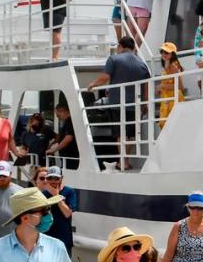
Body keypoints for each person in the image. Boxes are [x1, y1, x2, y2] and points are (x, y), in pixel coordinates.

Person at [87, 36, 151, 169]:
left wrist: (92, 84)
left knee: (120, 134)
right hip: (135, 105)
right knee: (131, 135)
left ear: (120, 46)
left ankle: (122, 162)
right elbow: (146, 86)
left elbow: (105, 77)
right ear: (133, 48)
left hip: (117, 104)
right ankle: (125, 161)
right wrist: (145, 104)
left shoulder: (114, 59)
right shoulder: (142, 64)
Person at [40, 166, 76, 256]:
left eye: (56, 178)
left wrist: (56, 196)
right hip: (46, 239)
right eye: (50, 178)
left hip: (64, 239)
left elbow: (67, 213)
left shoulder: (69, 192)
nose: (53, 181)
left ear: (61, 178)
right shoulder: (42, 195)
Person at [157, 42, 185, 127]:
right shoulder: (167, 65)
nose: (163, 54)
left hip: (173, 98)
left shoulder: (173, 66)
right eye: (162, 52)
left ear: (172, 54)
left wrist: (162, 86)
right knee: (166, 124)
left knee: (168, 124)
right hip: (167, 98)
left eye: (166, 52)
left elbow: (180, 87)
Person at [47, 102, 79, 169]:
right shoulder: (68, 122)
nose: (58, 117)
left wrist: (54, 150)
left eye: (58, 115)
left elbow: (68, 138)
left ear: (62, 111)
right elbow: (61, 136)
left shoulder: (70, 121)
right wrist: (52, 144)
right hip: (68, 158)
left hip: (71, 157)